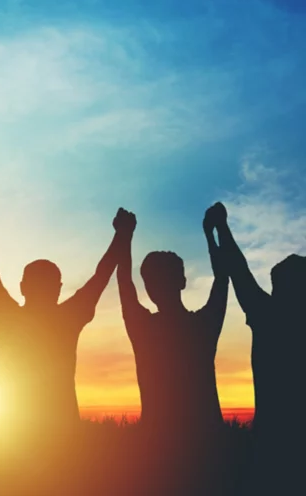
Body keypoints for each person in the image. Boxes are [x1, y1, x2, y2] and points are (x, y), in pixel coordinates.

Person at [0, 210, 125, 434]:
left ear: (22, 286)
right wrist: (121, 236)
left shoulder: (8, 317)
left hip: (10, 435)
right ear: (59, 288)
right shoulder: (69, 317)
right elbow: (101, 275)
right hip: (59, 432)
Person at [116, 205, 230, 492]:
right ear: (182, 281)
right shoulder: (204, 325)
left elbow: (124, 282)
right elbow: (222, 277)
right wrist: (211, 233)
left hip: (159, 452)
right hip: (208, 452)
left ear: (149, 289)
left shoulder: (142, 328)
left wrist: (125, 236)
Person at [213, 202, 306, 493]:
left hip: (270, 445)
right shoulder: (270, 315)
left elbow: (238, 270)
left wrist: (221, 226)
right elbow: (238, 269)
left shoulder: (267, 314)